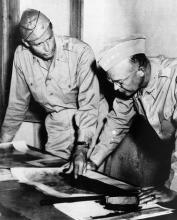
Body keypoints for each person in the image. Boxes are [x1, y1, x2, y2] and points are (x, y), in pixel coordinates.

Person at [71, 35, 177, 214]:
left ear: (140, 70)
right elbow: (117, 123)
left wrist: (173, 186)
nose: (116, 89)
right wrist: (93, 162)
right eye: (112, 82)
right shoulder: (131, 86)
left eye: (119, 82)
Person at [0, 9, 108, 160]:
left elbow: (89, 105)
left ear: (52, 29)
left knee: (86, 171)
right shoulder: (21, 56)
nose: (47, 48)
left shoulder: (81, 52)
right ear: (26, 43)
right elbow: (17, 105)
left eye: (49, 39)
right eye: (38, 44)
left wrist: (82, 147)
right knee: (54, 169)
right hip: (57, 119)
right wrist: (2, 146)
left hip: (92, 117)